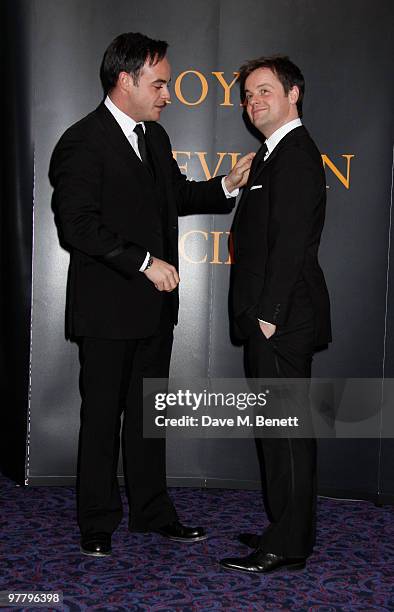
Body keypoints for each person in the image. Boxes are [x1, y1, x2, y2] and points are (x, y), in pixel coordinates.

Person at [49, 32, 253, 557]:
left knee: (148, 417)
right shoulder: (81, 141)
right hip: (106, 311)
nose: (167, 93)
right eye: (159, 83)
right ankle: (96, 522)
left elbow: (178, 196)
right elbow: (77, 226)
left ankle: (152, 512)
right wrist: (143, 262)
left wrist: (226, 184)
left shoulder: (155, 139)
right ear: (125, 79)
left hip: (155, 312)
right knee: (101, 422)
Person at [220, 56, 331, 574]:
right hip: (272, 315)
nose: (253, 101)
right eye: (247, 95)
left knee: (286, 434)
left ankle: (288, 544)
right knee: (277, 431)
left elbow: (290, 244)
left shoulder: (298, 155)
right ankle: (284, 527)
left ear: (294, 94)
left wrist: (270, 314)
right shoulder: (271, 155)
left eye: (264, 90)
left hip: (281, 318)